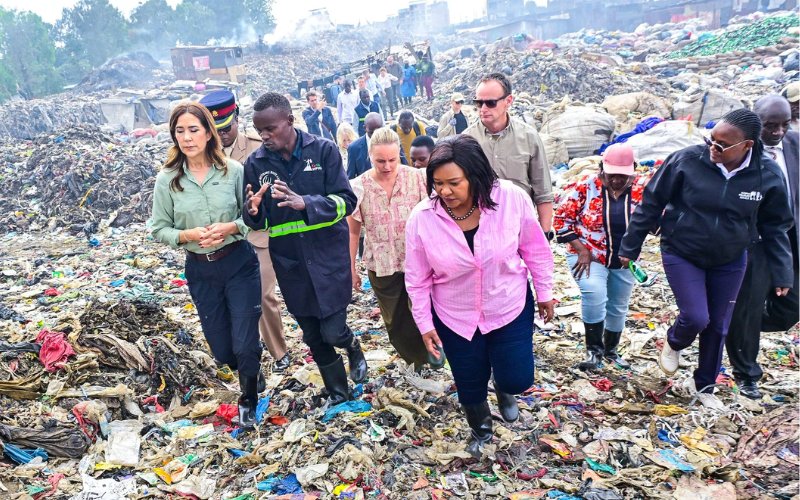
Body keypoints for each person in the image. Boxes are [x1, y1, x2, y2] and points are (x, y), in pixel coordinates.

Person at [619, 108, 793, 410]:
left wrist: (782, 272)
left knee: (719, 325)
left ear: (747, 146)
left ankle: (705, 386)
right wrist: (630, 246)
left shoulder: (767, 174)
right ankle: (675, 340)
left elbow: (775, 226)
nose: (713, 148)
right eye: (711, 140)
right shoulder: (686, 161)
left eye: (722, 145)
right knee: (697, 316)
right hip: (682, 250)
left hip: (731, 257)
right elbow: (652, 202)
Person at [405, 135, 555, 457]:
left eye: (454, 183)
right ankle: (481, 427)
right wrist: (424, 323)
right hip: (455, 315)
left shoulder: (511, 199)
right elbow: (417, 280)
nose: (444, 192)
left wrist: (545, 292)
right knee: (469, 382)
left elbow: (536, 249)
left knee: (516, 377)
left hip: (507, 304)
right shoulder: (422, 218)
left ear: (476, 177)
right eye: (437, 183)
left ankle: (505, 389)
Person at [242, 93, 368, 408]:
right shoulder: (255, 164)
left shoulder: (324, 151)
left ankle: (351, 345)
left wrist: (306, 203)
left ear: (290, 121)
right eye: (260, 130)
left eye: (270, 128)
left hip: (328, 258)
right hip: (290, 263)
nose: (265, 136)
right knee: (312, 334)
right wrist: (254, 212)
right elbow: (256, 222)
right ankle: (339, 392)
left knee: (332, 330)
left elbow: (347, 201)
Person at [150, 102, 263, 428]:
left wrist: (231, 227)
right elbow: (159, 229)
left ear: (208, 132)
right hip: (201, 271)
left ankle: (248, 400)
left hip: (239, 264)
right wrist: (187, 234)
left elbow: (251, 218)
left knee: (244, 344)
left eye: (193, 129)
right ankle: (250, 366)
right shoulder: (168, 180)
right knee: (223, 350)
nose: (187, 137)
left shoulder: (233, 172)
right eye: (179, 131)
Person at [199, 90, 291, 374]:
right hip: (221, 240)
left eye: (227, 128)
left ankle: (278, 350)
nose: (223, 135)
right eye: (216, 131)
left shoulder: (256, 146)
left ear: (237, 118)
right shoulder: (200, 155)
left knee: (263, 296)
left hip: (258, 235)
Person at [726, 95, 799, 399]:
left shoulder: (795, 146)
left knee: (790, 309)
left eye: (784, 125)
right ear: (756, 122)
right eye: (771, 126)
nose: (778, 132)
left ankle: (734, 325)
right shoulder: (741, 150)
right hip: (756, 241)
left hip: (791, 237)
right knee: (750, 303)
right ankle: (747, 373)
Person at [553, 144, 647, 371]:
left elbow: (655, 222)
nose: (616, 181)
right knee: (594, 294)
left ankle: (610, 350)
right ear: (602, 168)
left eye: (622, 176)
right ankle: (593, 351)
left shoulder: (642, 190)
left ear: (633, 170)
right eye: (611, 175)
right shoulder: (585, 187)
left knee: (618, 305)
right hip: (588, 255)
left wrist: (633, 248)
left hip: (624, 259)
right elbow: (561, 220)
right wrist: (582, 249)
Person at [347, 127, 432, 369]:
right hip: (382, 264)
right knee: (395, 319)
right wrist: (350, 267)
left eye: (392, 160)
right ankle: (416, 359)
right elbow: (353, 231)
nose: (387, 166)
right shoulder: (358, 186)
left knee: (423, 310)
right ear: (370, 157)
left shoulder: (417, 178)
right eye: (380, 161)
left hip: (419, 260)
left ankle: (432, 350)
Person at [465, 73, 554, 237]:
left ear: (508, 101)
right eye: (479, 103)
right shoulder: (467, 140)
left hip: (520, 228)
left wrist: (544, 234)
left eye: (490, 103)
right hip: (480, 230)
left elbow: (543, 192)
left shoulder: (529, 137)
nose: (483, 109)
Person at [347, 113, 408, 179]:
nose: (376, 134)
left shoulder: (392, 141)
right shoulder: (354, 148)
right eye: (372, 132)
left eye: (379, 130)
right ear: (365, 128)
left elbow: (404, 166)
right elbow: (350, 177)